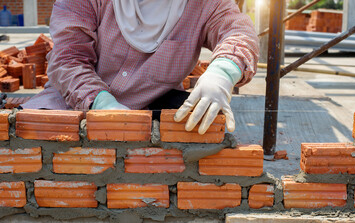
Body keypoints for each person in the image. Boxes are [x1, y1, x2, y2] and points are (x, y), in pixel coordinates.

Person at [22, 0, 259, 135]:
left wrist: (223, 71)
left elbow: (238, 31)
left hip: (152, 114)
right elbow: (68, 58)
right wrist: (101, 102)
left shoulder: (204, 4)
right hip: (72, 105)